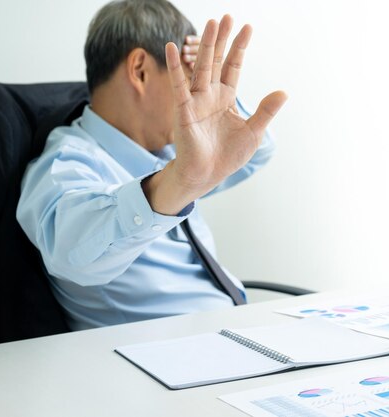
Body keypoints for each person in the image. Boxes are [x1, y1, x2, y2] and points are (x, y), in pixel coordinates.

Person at [17, 0, 286, 331]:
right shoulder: (67, 162)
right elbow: (72, 255)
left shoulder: (167, 149)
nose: (199, 97)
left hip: (235, 335)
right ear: (140, 70)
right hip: (162, 363)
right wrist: (178, 183)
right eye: (192, 79)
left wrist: (226, 109)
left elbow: (257, 151)